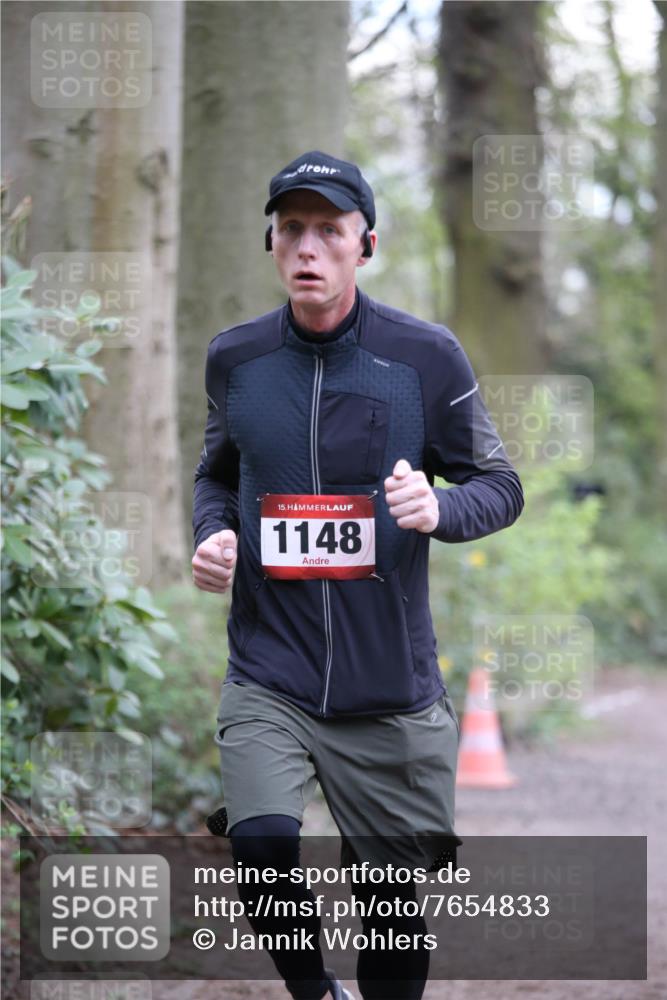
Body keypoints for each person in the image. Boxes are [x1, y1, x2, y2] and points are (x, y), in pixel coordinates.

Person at [191, 150, 524, 1000]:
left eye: (328, 231)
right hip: (270, 670)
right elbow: (216, 476)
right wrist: (214, 535)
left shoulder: (425, 357)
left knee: (391, 907)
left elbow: (499, 484)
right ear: (272, 242)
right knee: (261, 848)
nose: (308, 246)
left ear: (363, 246)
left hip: (390, 686)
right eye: (292, 228)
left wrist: (439, 511)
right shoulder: (235, 360)